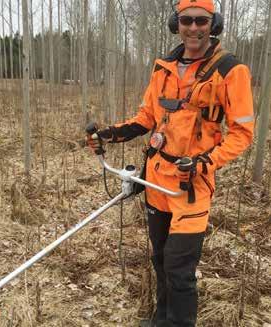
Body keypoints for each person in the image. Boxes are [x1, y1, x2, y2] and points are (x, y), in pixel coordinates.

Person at [86, 0, 254, 326]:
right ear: (175, 23)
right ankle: (161, 318)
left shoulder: (231, 71)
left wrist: (206, 161)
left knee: (179, 268)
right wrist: (110, 134)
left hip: (192, 185)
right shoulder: (162, 66)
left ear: (214, 24)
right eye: (186, 20)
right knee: (160, 259)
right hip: (156, 180)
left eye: (201, 21)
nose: (193, 28)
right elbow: (147, 117)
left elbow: (242, 134)